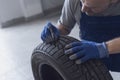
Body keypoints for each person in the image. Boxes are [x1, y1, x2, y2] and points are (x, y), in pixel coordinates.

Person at [41, 0, 120, 72]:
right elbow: (64, 27)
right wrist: (55, 31)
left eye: (91, 7)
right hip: (89, 55)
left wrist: (102, 49)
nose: (83, 9)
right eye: (82, 1)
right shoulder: (73, 1)